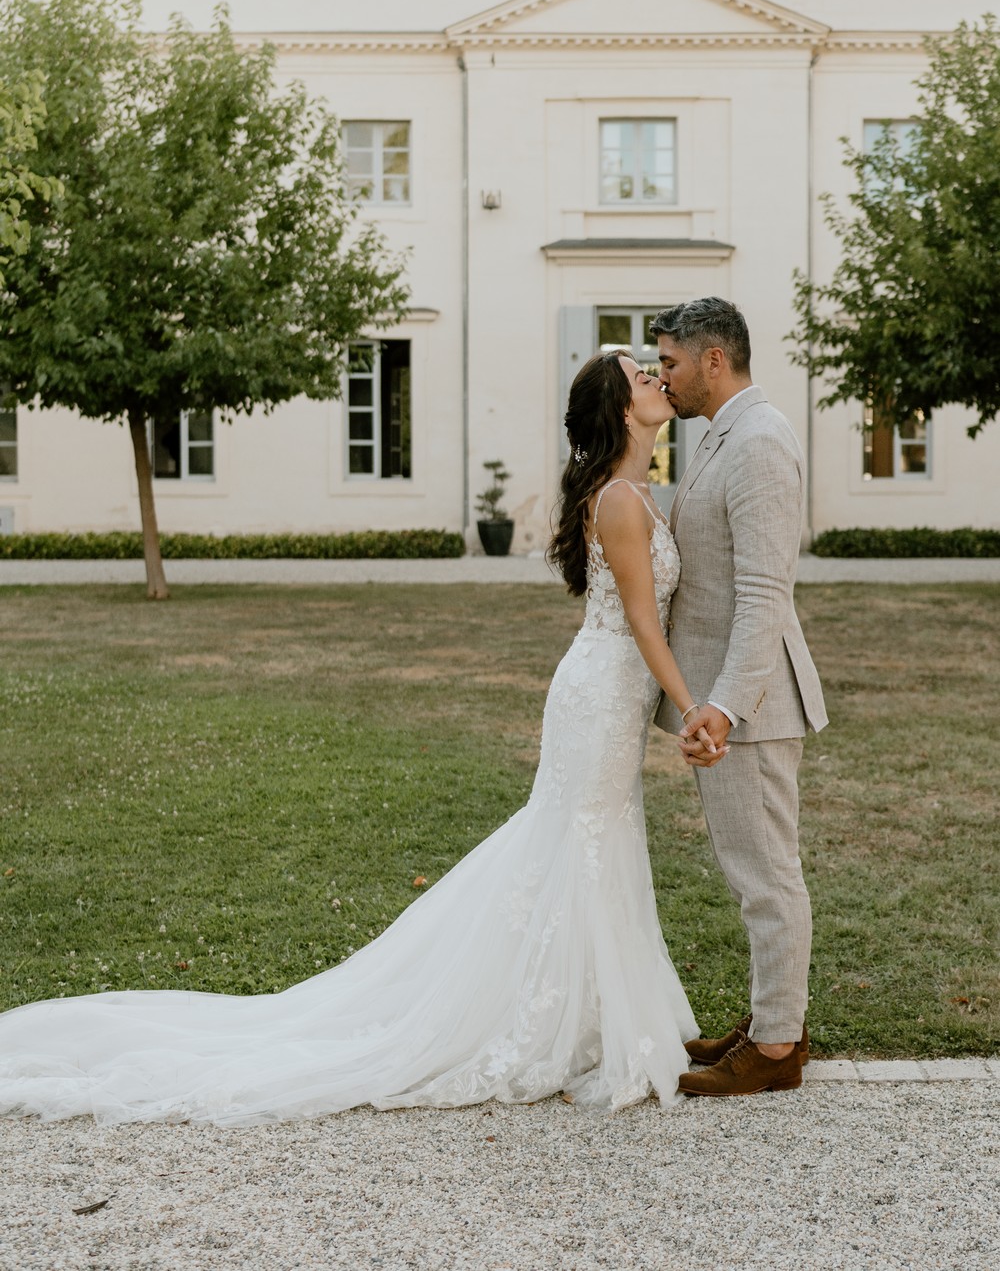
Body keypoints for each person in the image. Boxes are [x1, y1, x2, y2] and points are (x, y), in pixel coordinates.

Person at [0, 350, 709, 1126]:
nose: (656, 378)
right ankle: (558, 1013)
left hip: (605, 691)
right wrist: (693, 706)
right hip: (601, 693)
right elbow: (642, 620)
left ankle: (587, 1008)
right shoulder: (617, 501)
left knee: (592, 838)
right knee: (582, 837)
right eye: (641, 375)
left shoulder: (636, 493)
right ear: (618, 407)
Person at [650, 297, 828, 1098]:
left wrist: (720, 705)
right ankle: (769, 1016)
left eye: (672, 364)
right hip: (732, 698)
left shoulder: (757, 441)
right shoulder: (728, 431)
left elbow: (763, 592)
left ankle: (779, 1046)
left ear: (714, 358)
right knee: (753, 868)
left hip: (750, 706)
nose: (665, 378)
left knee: (766, 875)